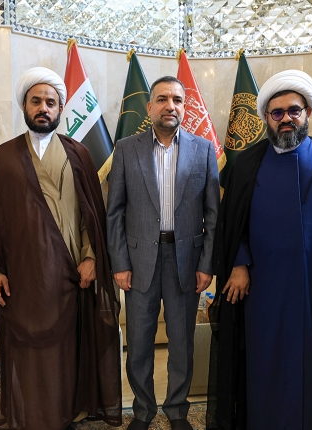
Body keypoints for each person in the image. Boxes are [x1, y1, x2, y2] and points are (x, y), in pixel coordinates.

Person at [207, 69, 312, 430]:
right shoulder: (247, 163)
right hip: (263, 290)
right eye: (277, 112)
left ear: (307, 112)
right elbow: (232, 222)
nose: (286, 119)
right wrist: (238, 263)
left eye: (293, 110)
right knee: (264, 363)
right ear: (267, 117)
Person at [0, 67, 121, 430]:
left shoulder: (79, 153)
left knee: (67, 349)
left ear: (60, 109)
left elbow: (92, 213)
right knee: (30, 349)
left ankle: (65, 414)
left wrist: (91, 256)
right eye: (36, 101)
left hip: (72, 273)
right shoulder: (4, 157)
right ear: (25, 106)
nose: (43, 107)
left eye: (50, 102)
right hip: (25, 274)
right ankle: (34, 416)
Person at [107, 76, 220, 430]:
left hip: (186, 262)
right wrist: (120, 263)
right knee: (139, 344)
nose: (170, 106)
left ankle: (177, 411)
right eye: (162, 99)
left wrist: (207, 265)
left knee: (182, 344)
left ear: (185, 106)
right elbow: (115, 212)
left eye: (177, 100)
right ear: (150, 107)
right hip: (139, 262)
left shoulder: (204, 150)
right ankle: (143, 411)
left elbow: (213, 215)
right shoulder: (126, 149)